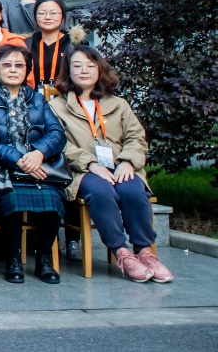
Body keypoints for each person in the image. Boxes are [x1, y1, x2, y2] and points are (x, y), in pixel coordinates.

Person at [50, 45, 172, 283]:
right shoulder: (57, 106)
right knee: (101, 191)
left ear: (100, 70)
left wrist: (127, 160)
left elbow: (136, 137)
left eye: (90, 66)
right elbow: (58, 143)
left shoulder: (119, 104)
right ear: (68, 71)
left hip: (120, 166)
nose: (84, 71)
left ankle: (144, 252)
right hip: (82, 171)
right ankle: (122, 253)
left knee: (133, 190)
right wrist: (90, 164)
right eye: (77, 66)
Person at [0, 44, 66, 285]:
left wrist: (39, 152)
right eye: (7, 65)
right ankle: (13, 258)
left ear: (27, 70)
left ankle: (44, 258)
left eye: (19, 65)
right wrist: (17, 159)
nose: (13, 70)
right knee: (12, 198)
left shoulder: (37, 98)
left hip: (37, 164)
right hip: (2, 165)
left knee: (53, 198)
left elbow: (57, 133)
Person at [25, 0, 78, 90]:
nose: (48, 17)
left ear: (63, 17)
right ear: (35, 17)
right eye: (42, 13)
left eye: (53, 13)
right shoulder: (26, 44)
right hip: (32, 97)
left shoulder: (74, 44)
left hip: (66, 96)